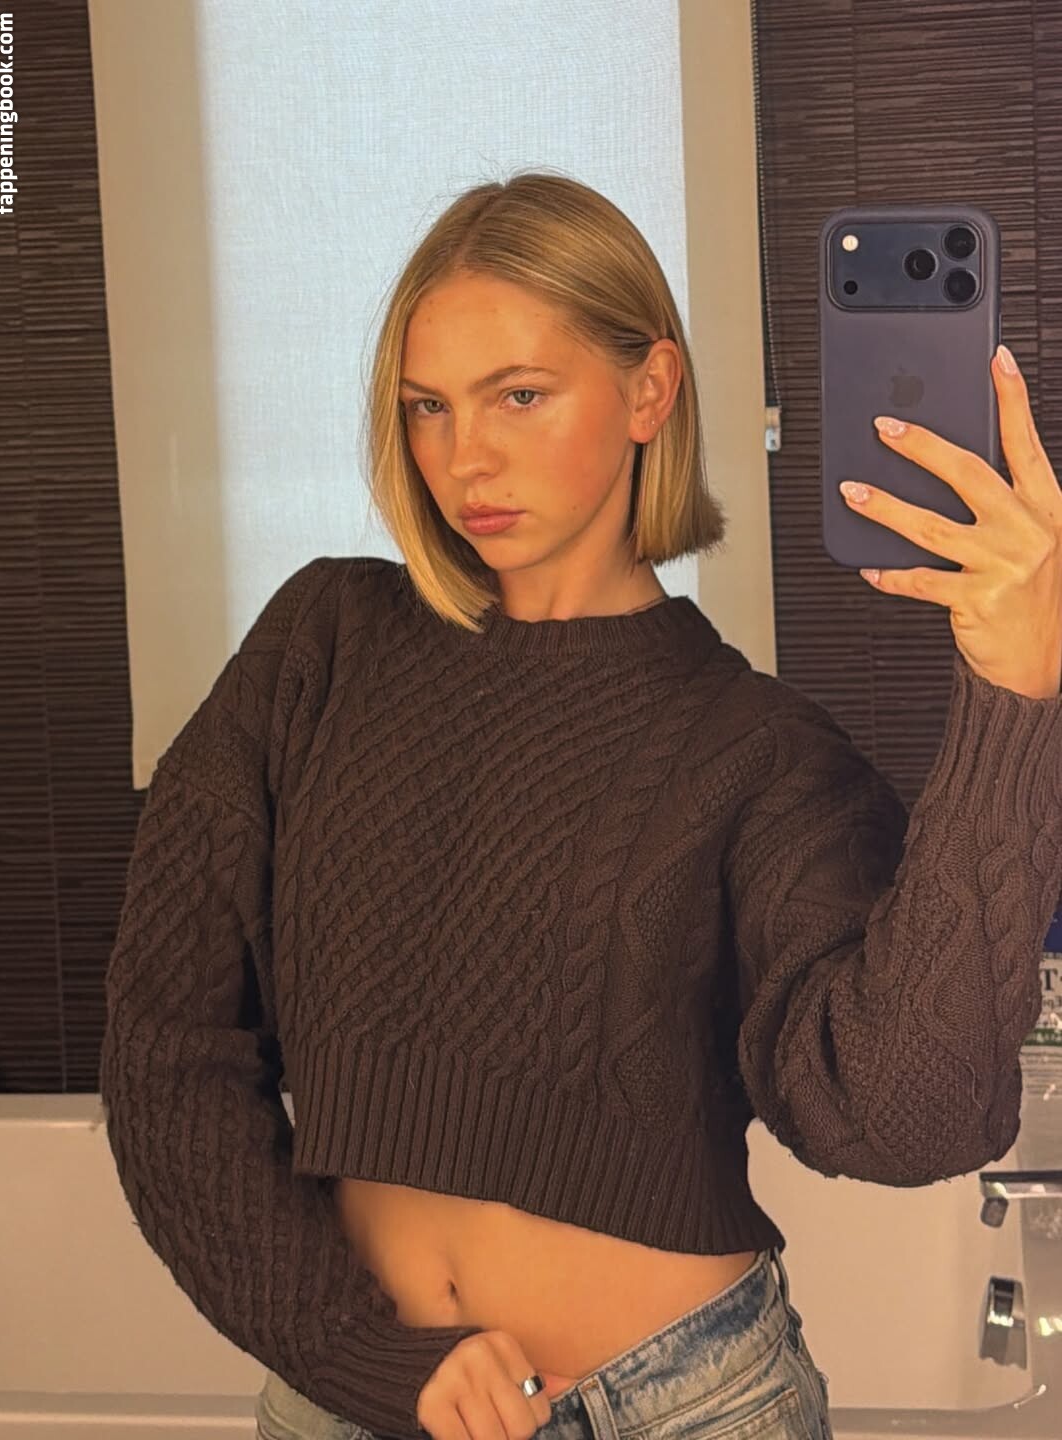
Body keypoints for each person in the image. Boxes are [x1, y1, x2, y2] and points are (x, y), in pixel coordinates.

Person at [99, 171, 1062, 1440]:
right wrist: (351, 1350)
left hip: (688, 1407)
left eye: (519, 395)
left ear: (650, 390)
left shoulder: (759, 749)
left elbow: (900, 1119)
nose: (465, 457)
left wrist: (1015, 697)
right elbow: (163, 1051)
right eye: (428, 406)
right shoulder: (316, 646)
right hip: (347, 1398)